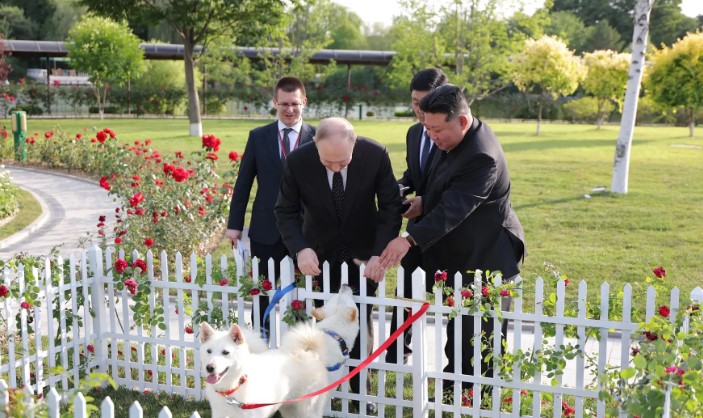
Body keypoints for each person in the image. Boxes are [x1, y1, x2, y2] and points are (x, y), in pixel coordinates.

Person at [379, 84, 526, 395]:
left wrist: (408, 239)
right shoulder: (452, 140)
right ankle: (453, 390)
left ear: (461, 120)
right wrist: (421, 203)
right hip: (461, 254)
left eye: (436, 129)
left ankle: (476, 399)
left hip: (488, 256)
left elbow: (454, 209)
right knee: (458, 330)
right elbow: (441, 189)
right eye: (426, 128)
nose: (431, 136)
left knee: (479, 338)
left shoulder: (481, 155)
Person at [275, 117, 402, 413]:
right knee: (323, 325)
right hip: (318, 255)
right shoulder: (298, 161)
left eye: (342, 161)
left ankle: (361, 393)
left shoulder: (375, 155)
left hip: (364, 256)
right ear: (315, 146)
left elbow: (390, 207)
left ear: (354, 145)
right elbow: (285, 210)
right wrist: (301, 249)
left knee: (360, 319)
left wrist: (378, 253)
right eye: (327, 162)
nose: (335, 167)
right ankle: (322, 389)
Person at [226, 76, 315, 333]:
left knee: (302, 291)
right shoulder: (258, 137)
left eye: (295, 104)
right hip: (266, 229)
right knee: (261, 290)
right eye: (284, 104)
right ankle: (262, 338)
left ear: (304, 102)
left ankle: (299, 341)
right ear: (275, 102)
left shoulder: (318, 136)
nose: (290, 110)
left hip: (304, 230)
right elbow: (243, 183)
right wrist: (234, 225)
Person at [386, 68, 448, 365]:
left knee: (452, 300)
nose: (420, 111)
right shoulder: (413, 133)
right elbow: (415, 174)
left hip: (449, 228)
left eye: (426, 103)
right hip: (416, 227)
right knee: (405, 293)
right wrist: (399, 187)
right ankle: (398, 352)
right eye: (414, 103)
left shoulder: (452, 135)